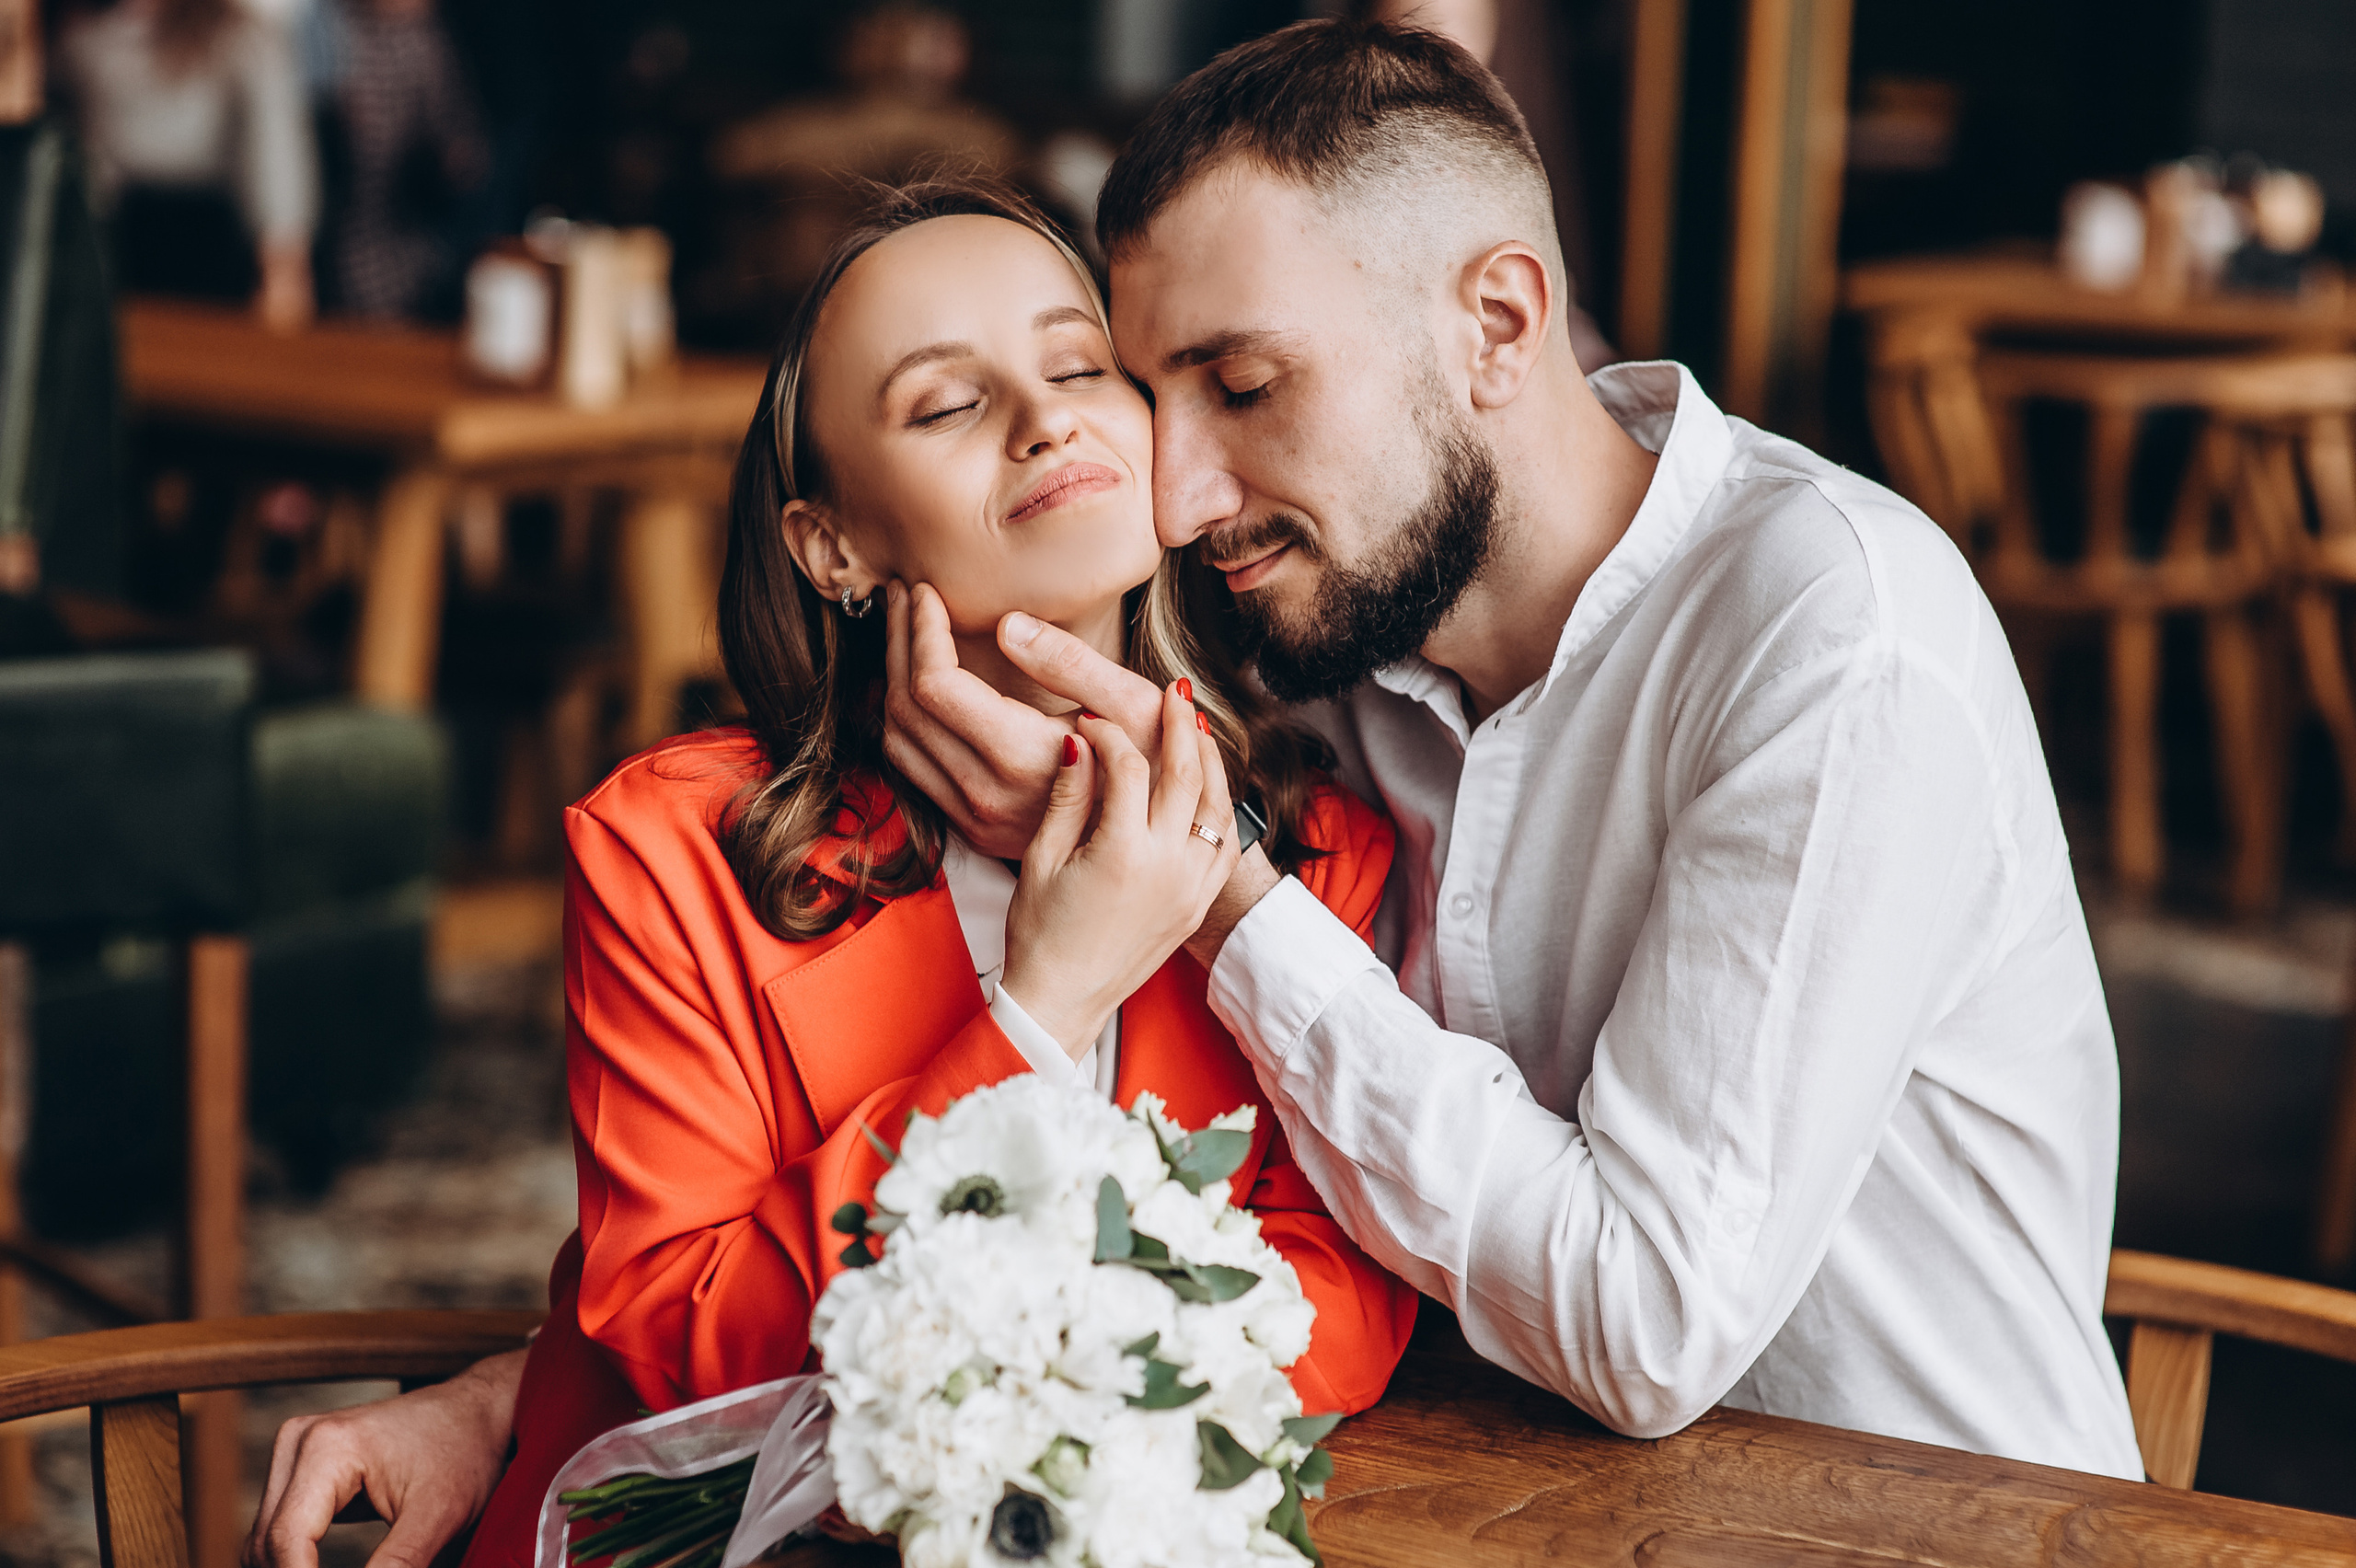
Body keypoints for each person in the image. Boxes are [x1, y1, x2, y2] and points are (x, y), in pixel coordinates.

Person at [248, 21, 2142, 1568]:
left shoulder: (1811, 643)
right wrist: (531, 1398)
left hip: (1912, 1519)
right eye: (1171, 399)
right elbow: (687, 1269)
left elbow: (1557, 1314)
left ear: (1499, 323)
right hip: (1491, 1513)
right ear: (825, 538)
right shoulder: (1350, 685)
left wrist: (1203, 905)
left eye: (1227, 382)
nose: (1172, 484)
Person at [256, 175, 1417, 1568]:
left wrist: (1030, 1417)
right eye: (946, 404)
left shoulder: (1319, 847)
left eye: (1076, 365)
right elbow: (704, 1350)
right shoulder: (669, 850)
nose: (1044, 417)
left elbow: (1344, 1304)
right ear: (835, 545)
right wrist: (1042, 1002)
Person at [54, 0, 317, 330]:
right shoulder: (82, 33)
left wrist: (283, 269)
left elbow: (273, 147)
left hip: (204, 238)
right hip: (108, 234)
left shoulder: (235, 36)